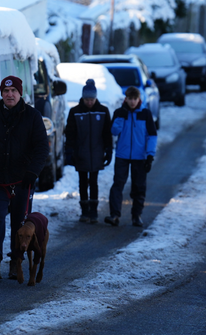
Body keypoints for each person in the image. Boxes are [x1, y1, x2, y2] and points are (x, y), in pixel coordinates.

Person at [0, 75, 50, 280]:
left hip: (22, 180)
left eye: (13, 91)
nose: (9, 94)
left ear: (20, 93)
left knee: (19, 224)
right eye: (6, 91)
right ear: (1, 94)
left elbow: (42, 147)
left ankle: (17, 262)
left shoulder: (32, 116)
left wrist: (33, 172)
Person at [106, 86, 157, 227]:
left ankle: (136, 215)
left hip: (139, 157)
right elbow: (114, 131)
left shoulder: (145, 114)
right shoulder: (119, 113)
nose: (133, 102)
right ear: (126, 99)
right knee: (118, 184)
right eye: (130, 99)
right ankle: (114, 215)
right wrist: (121, 117)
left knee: (139, 186)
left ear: (139, 99)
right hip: (122, 155)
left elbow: (152, 136)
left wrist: (150, 155)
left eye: (135, 99)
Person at [63, 79, 113, 224]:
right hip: (81, 153)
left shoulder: (103, 111)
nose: (89, 102)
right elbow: (70, 134)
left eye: (91, 99)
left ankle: (94, 211)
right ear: (83, 98)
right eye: (87, 99)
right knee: (83, 182)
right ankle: (84, 211)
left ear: (95, 98)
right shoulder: (75, 112)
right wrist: (69, 151)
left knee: (94, 181)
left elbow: (106, 133)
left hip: (97, 153)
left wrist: (108, 150)